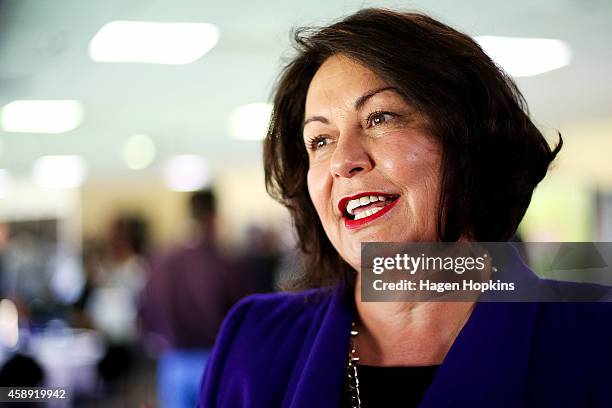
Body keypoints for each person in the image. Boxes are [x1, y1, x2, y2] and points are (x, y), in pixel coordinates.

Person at [198, 9, 612, 407]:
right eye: (320, 140)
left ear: (469, 141)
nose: (343, 161)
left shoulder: (596, 334)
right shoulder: (254, 340)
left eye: (380, 118)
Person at [141, 189, 239, 408]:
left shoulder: (161, 261)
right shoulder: (223, 263)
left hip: (172, 360)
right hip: (214, 360)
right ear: (213, 216)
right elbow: (239, 313)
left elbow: (145, 310)